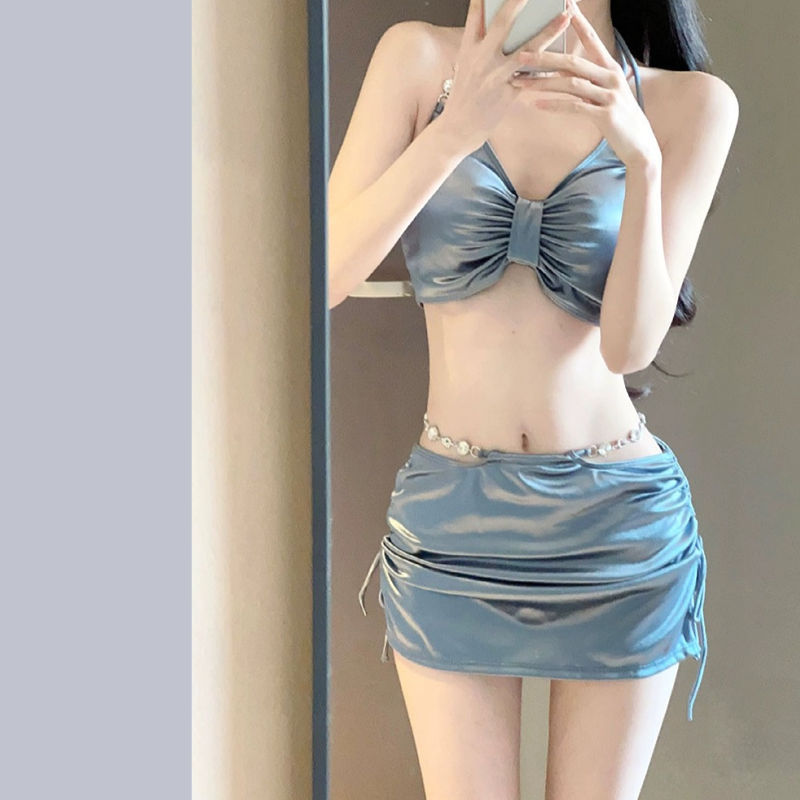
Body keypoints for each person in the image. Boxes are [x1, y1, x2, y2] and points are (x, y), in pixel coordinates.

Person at [329, 0, 738, 796]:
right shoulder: (416, 60)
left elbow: (628, 348)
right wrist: (454, 131)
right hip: (451, 522)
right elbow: (328, 272)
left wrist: (641, 159)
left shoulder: (689, 104)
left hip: (618, 527)